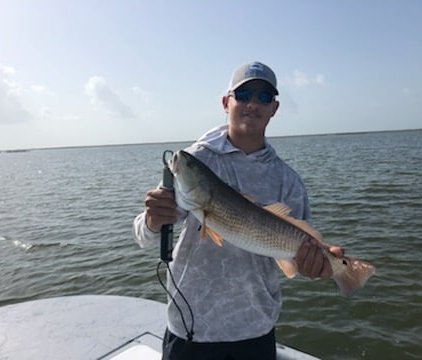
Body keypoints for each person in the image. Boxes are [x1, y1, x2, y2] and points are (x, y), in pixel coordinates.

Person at [133, 61, 343, 360]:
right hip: (191, 329)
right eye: (243, 95)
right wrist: (153, 221)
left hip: (254, 331)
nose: (253, 104)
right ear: (225, 102)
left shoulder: (287, 180)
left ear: (275, 108)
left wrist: (318, 265)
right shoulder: (196, 162)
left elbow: (297, 258)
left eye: (264, 97)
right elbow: (144, 235)